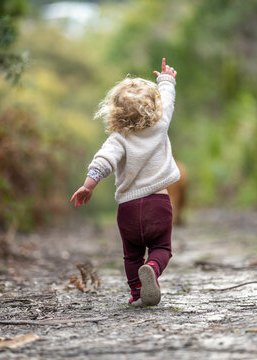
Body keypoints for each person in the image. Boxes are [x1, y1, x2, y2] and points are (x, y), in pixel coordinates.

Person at [70, 58, 179, 307]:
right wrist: (166, 80)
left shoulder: (118, 138)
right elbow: (168, 100)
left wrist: (88, 185)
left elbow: (103, 162)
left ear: (115, 112)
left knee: (131, 255)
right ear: (154, 108)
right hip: (159, 203)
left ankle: (138, 293)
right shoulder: (160, 125)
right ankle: (153, 267)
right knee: (161, 247)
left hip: (129, 209)